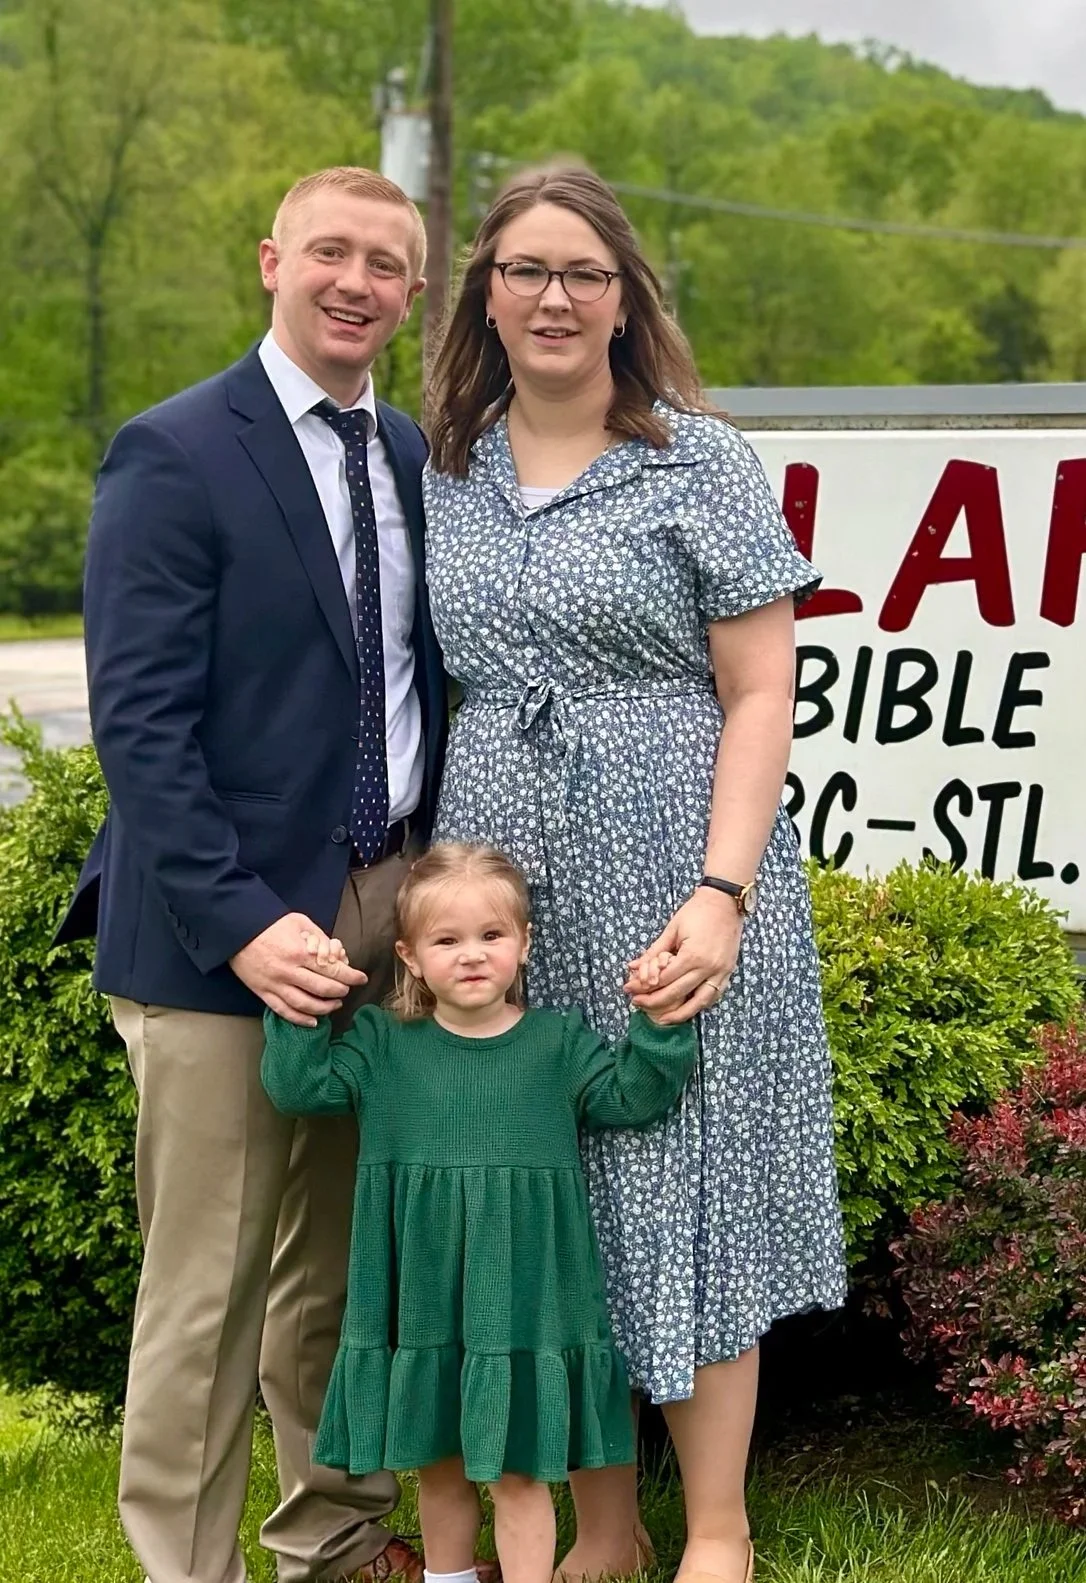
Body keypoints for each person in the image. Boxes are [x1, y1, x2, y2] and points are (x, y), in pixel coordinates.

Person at [422, 165, 849, 1583]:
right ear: (484, 291)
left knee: (685, 1173)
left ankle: (714, 1523)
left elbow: (760, 693)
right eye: (525, 269)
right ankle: (601, 1523)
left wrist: (720, 892)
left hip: (674, 848)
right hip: (501, 870)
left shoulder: (697, 461)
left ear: (623, 297)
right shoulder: (442, 463)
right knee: (549, 1178)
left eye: (581, 273)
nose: (552, 297)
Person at [55, 167, 449, 1583]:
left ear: (413, 293)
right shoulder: (173, 450)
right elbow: (140, 726)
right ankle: (184, 1562)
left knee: (335, 1275)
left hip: (380, 908)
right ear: (272, 258)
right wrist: (244, 925)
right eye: (330, 251)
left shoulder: (411, 454)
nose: (355, 280)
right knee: (206, 1286)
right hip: (218, 932)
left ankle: (334, 1537)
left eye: (386, 263)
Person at [262, 842, 698, 1583]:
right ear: (409, 955)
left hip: (523, 1307)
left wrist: (658, 1022)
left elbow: (633, 1095)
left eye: (492, 935)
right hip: (426, 1300)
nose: (472, 955)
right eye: (447, 939)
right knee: (440, 1468)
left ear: (525, 943)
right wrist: (301, 1006)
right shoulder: (381, 1044)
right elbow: (299, 1090)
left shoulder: (556, 1045)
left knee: (519, 1472)